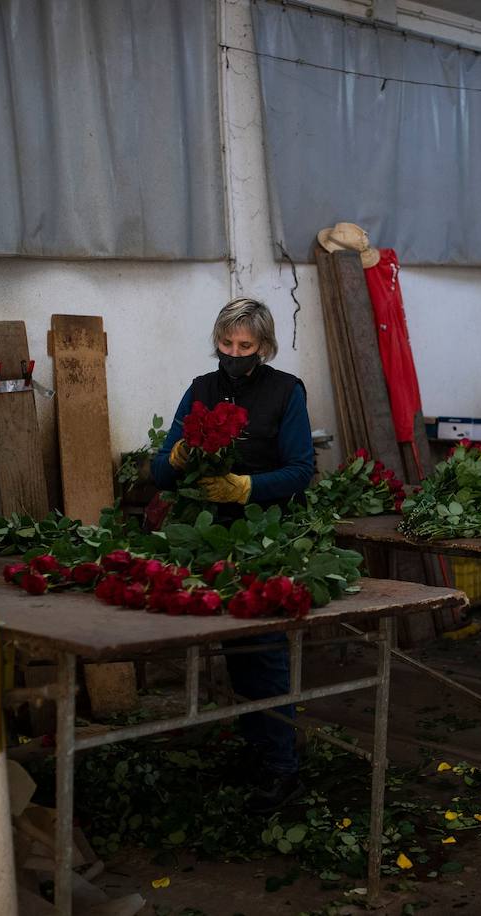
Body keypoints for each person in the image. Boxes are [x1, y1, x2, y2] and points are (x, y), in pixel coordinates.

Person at [151, 297, 315, 812]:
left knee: (264, 649)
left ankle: (283, 768)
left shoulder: (286, 391)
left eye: (245, 345)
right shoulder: (201, 389)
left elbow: (302, 470)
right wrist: (178, 456)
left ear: (264, 346)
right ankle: (258, 753)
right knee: (236, 651)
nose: (235, 353)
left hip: (266, 538)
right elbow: (159, 471)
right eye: (227, 343)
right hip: (210, 539)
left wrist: (247, 487)